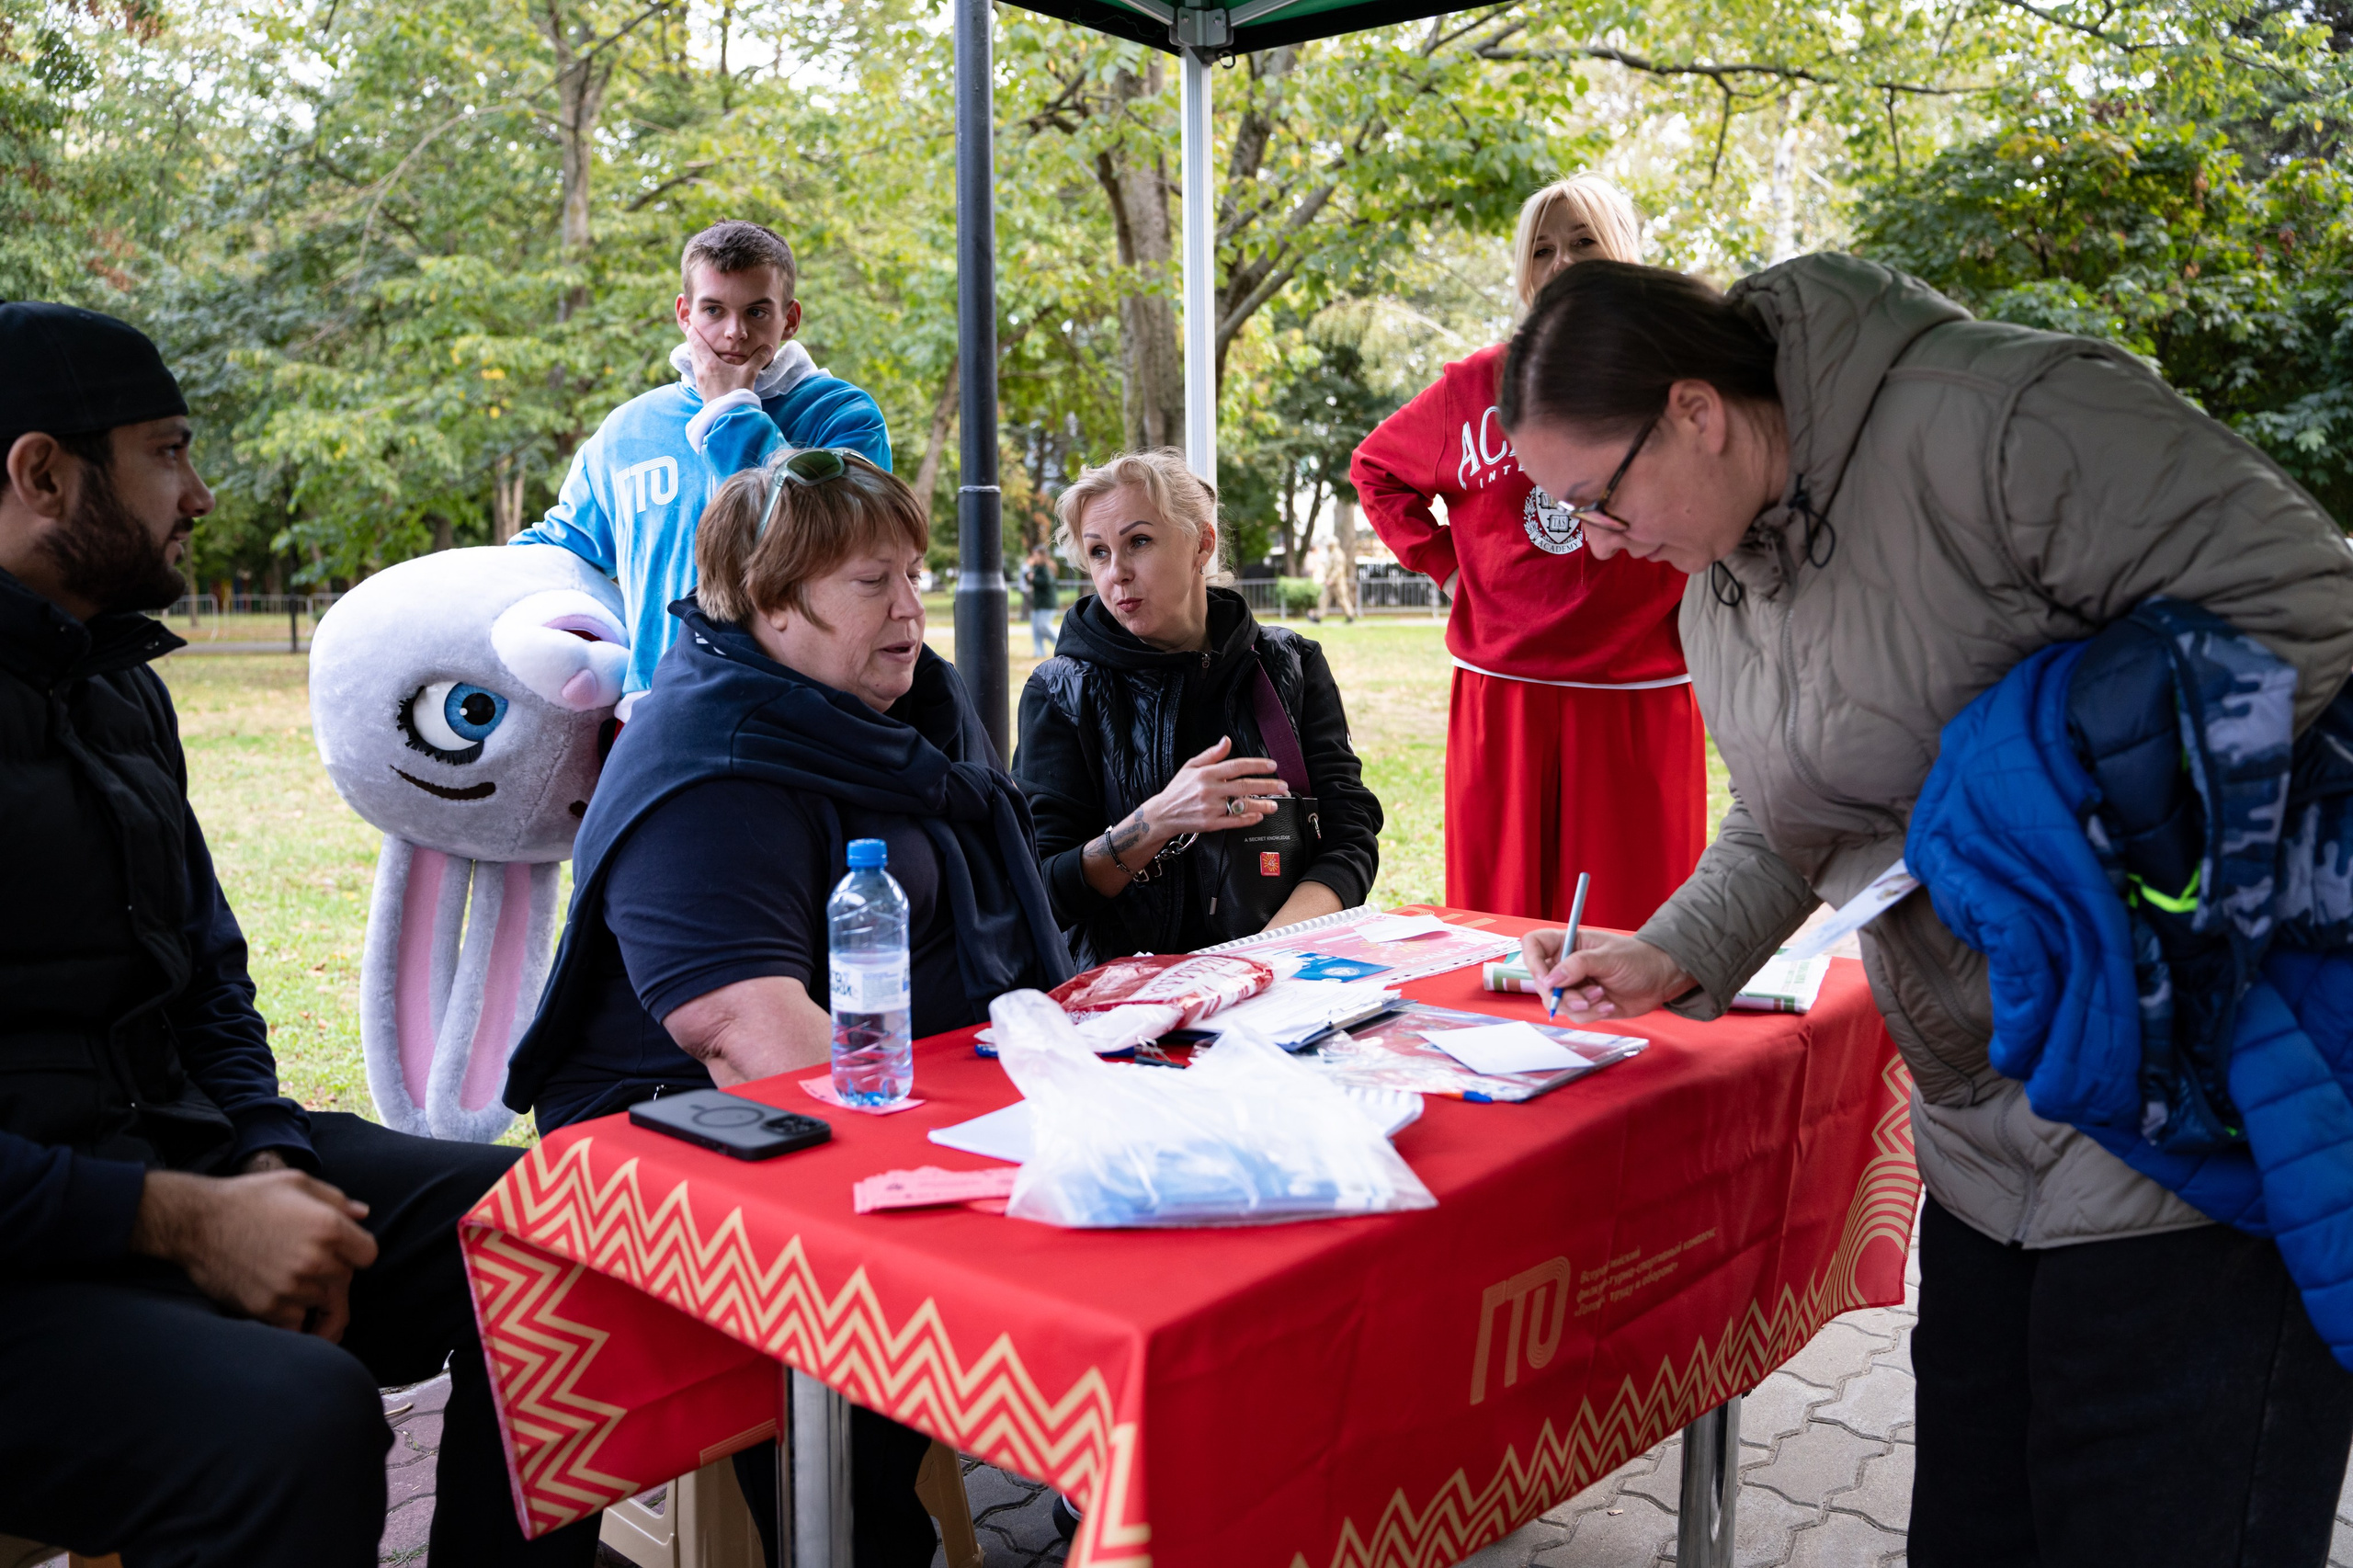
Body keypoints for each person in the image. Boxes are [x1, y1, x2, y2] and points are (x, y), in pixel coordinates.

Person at [1504, 256, 2353, 1566]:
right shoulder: (1719, 582)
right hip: (1983, 1131)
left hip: (2186, 1098)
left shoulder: (1998, 423)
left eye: (1595, 500)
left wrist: (2045, 787)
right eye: (1564, 518)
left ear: (1695, 411)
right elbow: (1795, 813)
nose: (1598, 543)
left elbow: (2307, 609)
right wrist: (1674, 947)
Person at [0, 303, 598, 1567]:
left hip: (176, 1158)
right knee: (298, 1419)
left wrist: (266, 1160)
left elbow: (206, 973)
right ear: (43, 473)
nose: (201, 494)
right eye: (168, 452)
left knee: (563, 1239)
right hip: (34, 1256)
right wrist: (178, 1218)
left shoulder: (117, 686)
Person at [502, 446, 1073, 1566]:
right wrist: (971, 1160)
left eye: (912, 574)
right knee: (890, 1325)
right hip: (673, 1128)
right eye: (872, 582)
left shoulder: (900, 701)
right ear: (768, 601)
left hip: (892, 1074)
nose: (909, 607)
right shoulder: (708, 763)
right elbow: (751, 1042)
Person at [1352, 173, 1703, 931]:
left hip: (1638, 688)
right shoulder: (1476, 385)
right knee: (1499, 924)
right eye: (1541, 250)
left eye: (1583, 241)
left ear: (1623, 252)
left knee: (1638, 929)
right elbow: (1376, 469)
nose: (1561, 262)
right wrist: (1446, 565)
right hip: (1504, 689)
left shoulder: (1677, 382)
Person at [1013, 448, 1384, 966]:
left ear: (1202, 545)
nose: (1117, 572)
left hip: (1283, 972)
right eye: (1098, 552)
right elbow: (1042, 889)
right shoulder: (1062, 691)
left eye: (1139, 541)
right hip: (1131, 993)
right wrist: (1157, 820)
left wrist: (1260, 960)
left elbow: (1349, 835)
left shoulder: (1292, 664)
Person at [511, 219, 892, 705]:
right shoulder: (627, 430)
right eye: (714, 310)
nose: (735, 332)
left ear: (790, 318)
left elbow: (827, 544)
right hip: (655, 708)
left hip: (799, 712)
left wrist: (729, 410)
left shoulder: (845, 415)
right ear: (685, 314)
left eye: (757, 311)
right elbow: (559, 551)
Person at [1026, 541, 1059, 656]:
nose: (1033, 557)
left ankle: (1060, 643)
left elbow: (1046, 582)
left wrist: (1033, 579)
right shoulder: (1036, 568)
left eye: (1035, 555)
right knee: (1036, 629)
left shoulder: (1046, 568)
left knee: (1043, 626)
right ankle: (1039, 652)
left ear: (1042, 555)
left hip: (1047, 603)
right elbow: (1028, 578)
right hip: (1038, 603)